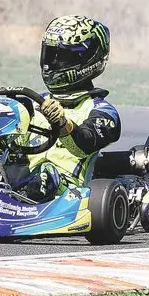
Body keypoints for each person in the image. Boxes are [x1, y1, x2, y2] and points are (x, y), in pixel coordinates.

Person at [16, 14, 120, 201]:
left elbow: (85, 143)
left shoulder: (101, 110)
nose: (51, 64)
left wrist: (63, 123)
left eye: (61, 57)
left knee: (46, 174)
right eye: (49, 54)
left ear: (86, 61)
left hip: (67, 193)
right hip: (18, 182)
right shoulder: (32, 102)